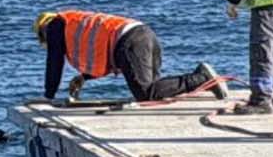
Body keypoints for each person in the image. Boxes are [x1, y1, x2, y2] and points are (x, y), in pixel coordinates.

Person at [34, 9, 224, 105]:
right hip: (142, 33)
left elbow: (54, 62)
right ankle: (205, 82)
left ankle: (202, 78)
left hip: (130, 41)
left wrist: (48, 97)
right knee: (154, 94)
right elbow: (102, 54)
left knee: (145, 94)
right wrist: (84, 77)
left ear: (43, 30)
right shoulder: (73, 23)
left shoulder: (56, 26)